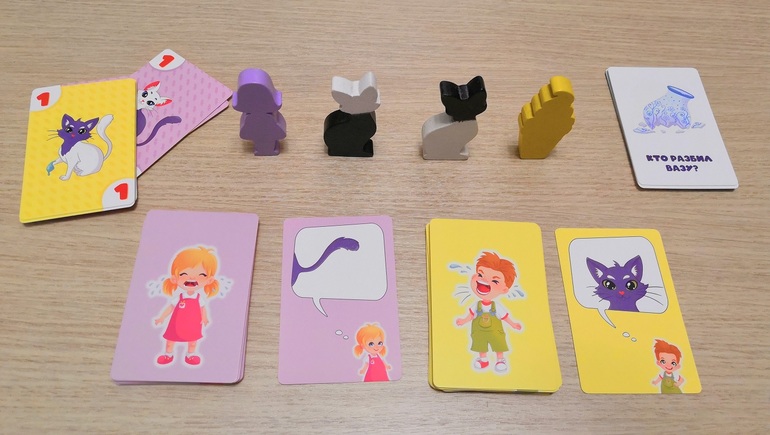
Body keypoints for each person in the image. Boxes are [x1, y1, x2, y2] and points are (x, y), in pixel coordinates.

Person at [455, 251, 522, 374]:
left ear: (504, 289)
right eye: (480, 274)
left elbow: (504, 316)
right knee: (480, 344)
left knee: (499, 344)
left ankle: (500, 360)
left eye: (495, 281)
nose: (484, 281)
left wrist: (513, 324)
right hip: (480, 332)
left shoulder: (497, 307)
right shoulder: (476, 305)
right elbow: (471, 315)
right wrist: (463, 321)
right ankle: (483, 360)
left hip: (495, 332)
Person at [154, 246, 220, 366]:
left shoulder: (199, 298)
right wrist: (162, 317)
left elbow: (203, 309)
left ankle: (190, 355)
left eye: (201, 275)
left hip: (192, 324)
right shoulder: (179, 297)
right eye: (184, 274)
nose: (192, 278)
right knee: (170, 341)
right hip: (176, 324)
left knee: (193, 342)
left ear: (209, 280)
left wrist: (204, 318)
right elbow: (170, 308)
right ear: (174, 278)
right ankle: (168, 355)